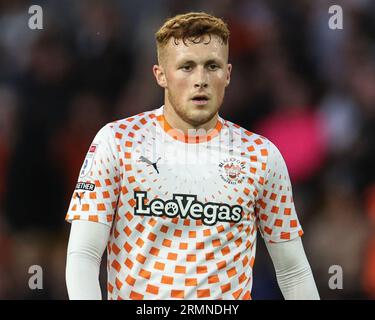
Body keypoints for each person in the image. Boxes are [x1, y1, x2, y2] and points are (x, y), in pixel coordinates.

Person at [65, 12, 320, 300]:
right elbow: (83, 255)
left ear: (228, 74)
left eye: (212, 66)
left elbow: (293, 271)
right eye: (186, 67)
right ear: (160, 75)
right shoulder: (118, 141)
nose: (201, 80)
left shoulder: (261, 155)